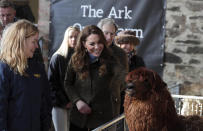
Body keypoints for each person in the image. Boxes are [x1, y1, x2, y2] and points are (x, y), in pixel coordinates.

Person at [64, 25, 125, 130]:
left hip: (103, 120)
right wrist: (77, 101)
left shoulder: (112, 60)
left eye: (100, 42)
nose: (97, 47)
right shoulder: (75, 59)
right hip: (79, 119)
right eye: (92, 44)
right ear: (84, 44)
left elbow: (123, 80)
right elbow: (68, 83)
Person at [0, 19, 52, 131]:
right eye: (33, 42)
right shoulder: (4, 69)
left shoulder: (37, 68)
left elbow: (45, 101)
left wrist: (46, 126)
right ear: (21, 41)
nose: (37, 46)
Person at [48, 26, 80, 131]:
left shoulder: (81, 59)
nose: (74, 39)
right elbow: (51, 84)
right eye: (71, 37)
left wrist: (76, 101)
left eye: (76, 37)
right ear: (66, 38)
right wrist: (65, 102)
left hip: (77, 104)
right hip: (59, 104)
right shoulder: (57, 57)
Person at [115, 30, 146, 114]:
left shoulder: (138, 60)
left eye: (131, 43)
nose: (128, 46)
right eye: (125, 43)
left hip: (132, 101)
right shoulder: (113, 59)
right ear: (119, 44)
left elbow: (143, 79)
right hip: (115, 102)